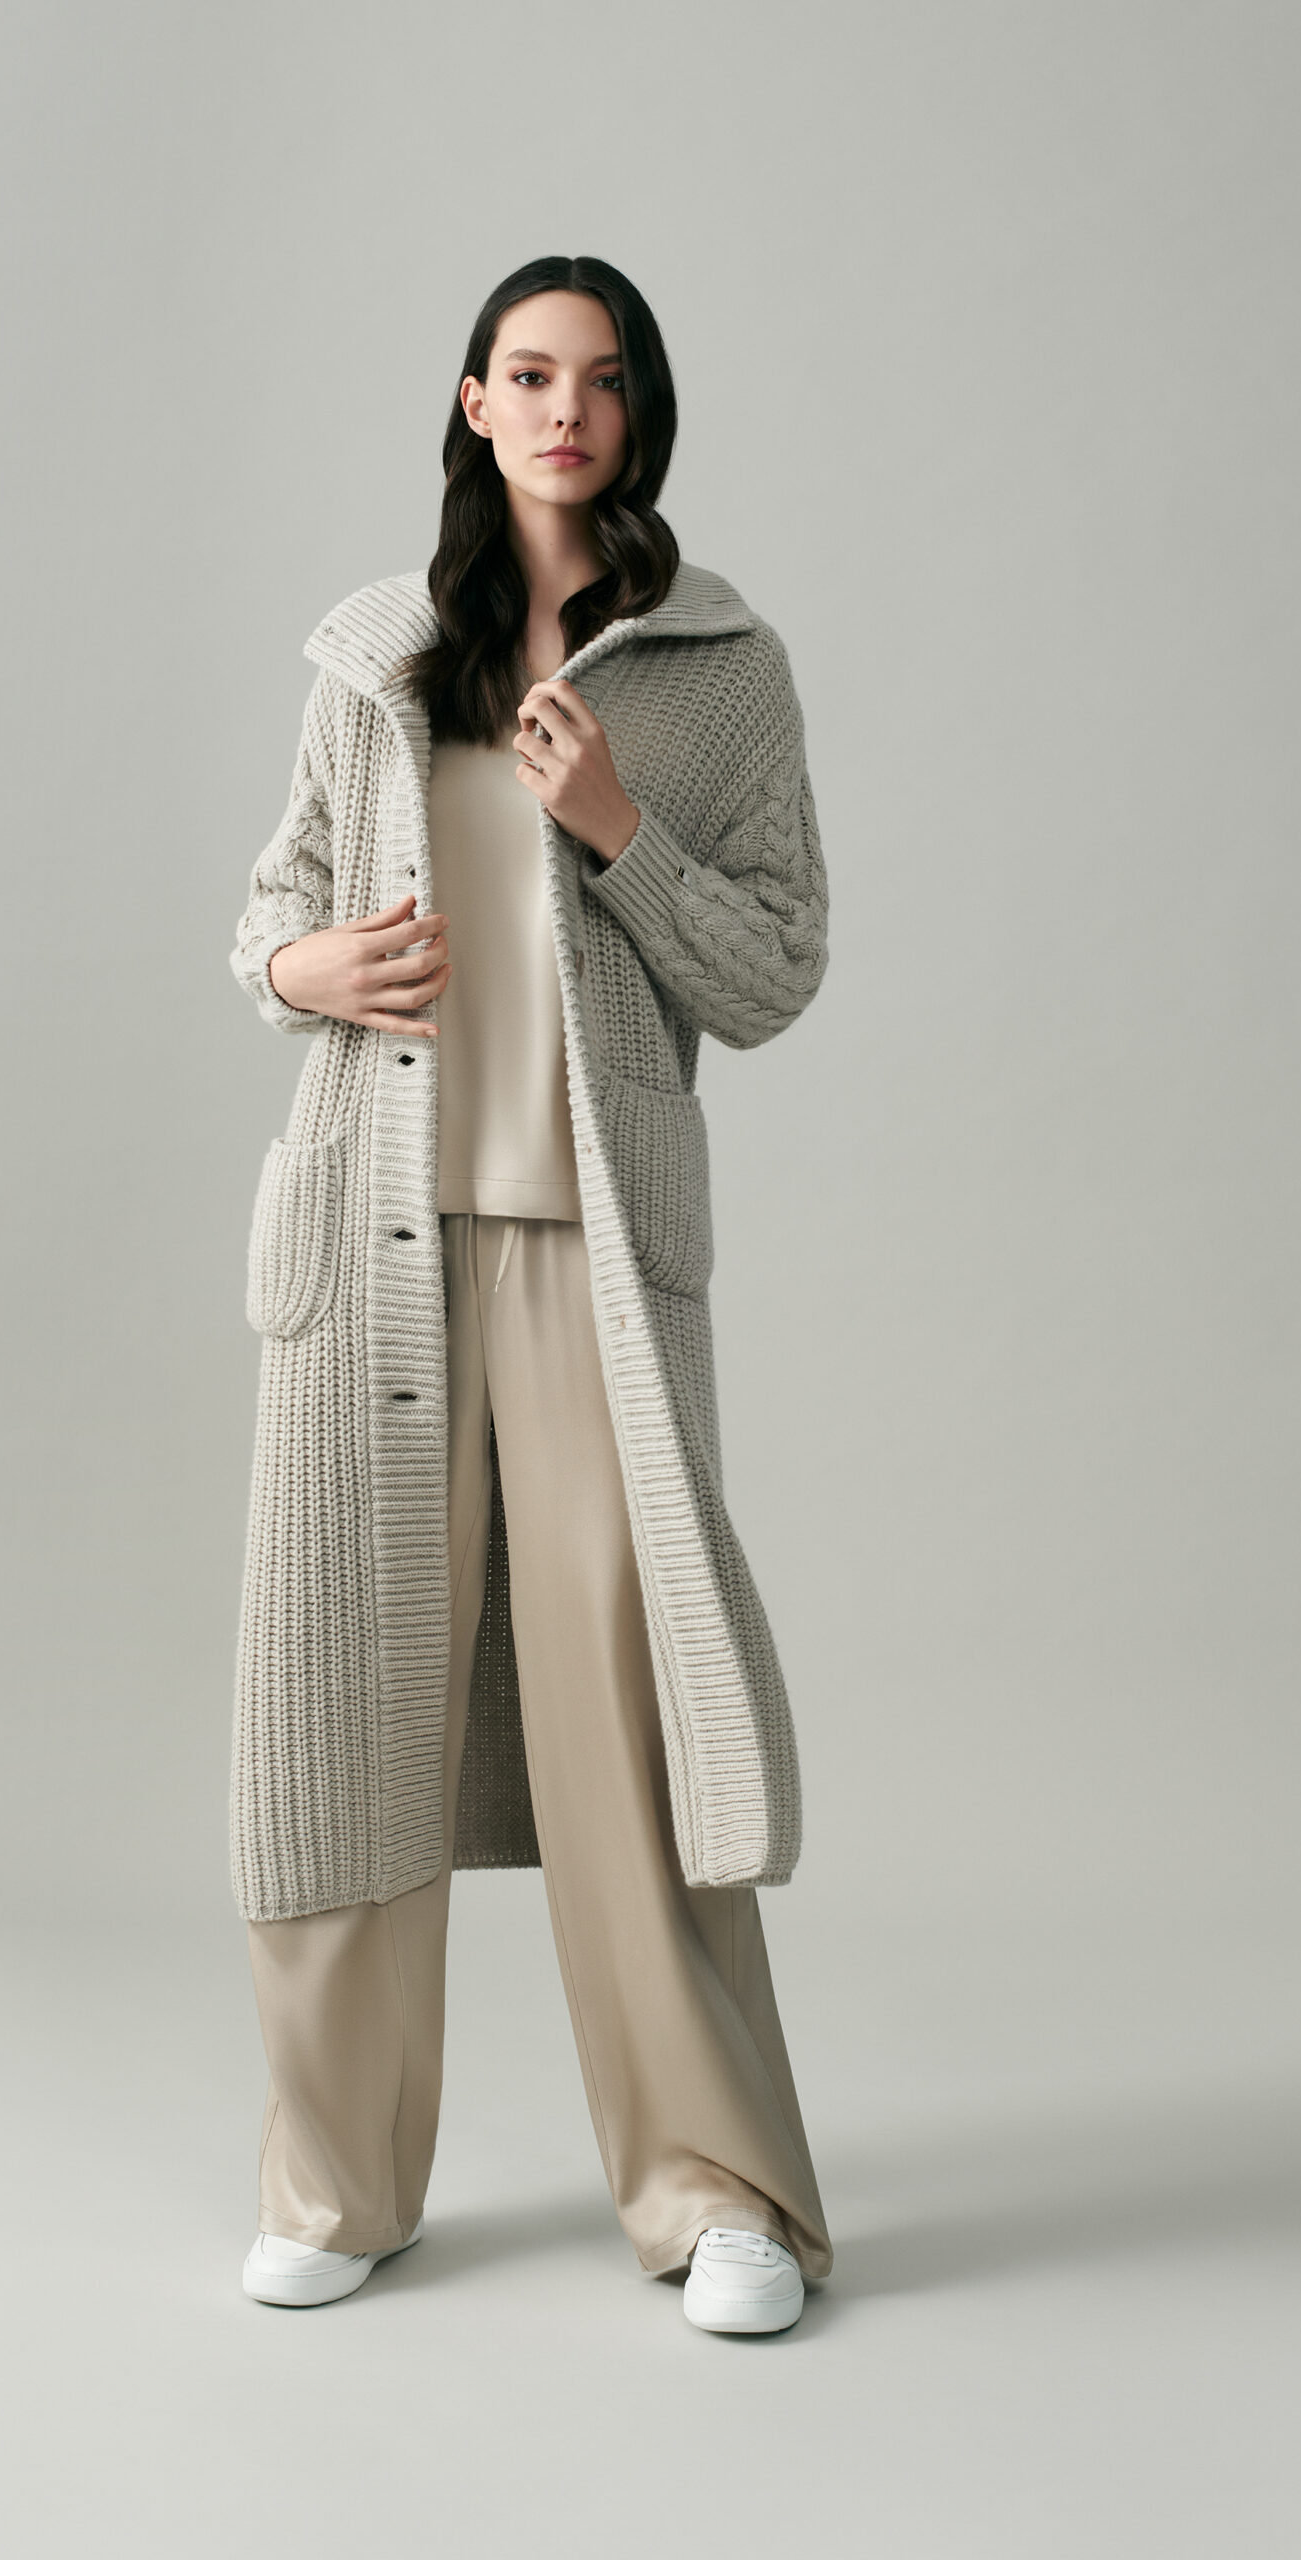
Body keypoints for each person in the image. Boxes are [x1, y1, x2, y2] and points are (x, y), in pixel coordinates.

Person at [226, 255, 831, 2335]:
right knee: (338, 1704)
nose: (565, 407)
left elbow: (776, 970)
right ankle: (336, 2181)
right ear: (473, 402)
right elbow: (270, 910)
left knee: (636, 1720)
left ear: (638, 413)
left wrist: (617, 831)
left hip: (593, 1264)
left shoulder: (718, 671)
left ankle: (716, 2189)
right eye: (528, 373)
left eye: (602, 378)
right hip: (369, 1246)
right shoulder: (372, 659)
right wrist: (303, 966)